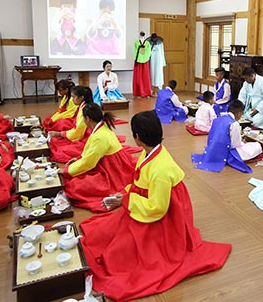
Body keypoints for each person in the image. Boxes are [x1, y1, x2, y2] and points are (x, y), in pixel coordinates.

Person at [79, 110, 231, 301]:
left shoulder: (160, 168)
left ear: (137, 137)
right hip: (149, 200)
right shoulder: (150, 151)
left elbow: (157, 208)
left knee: (119, 256)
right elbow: (142, 184)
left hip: (163, 213)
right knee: (106, 233)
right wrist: (126, 194)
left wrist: (127, 200)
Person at [61, 103, 137, 212]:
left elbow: (88, 163)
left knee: (75, 186)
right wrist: (79, 158)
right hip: (109, 164)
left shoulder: (100, 136)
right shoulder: (102, 127)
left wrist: (66, 171)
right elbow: (89, 153)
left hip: (113, 171)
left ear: (87, 118)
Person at [192, 99, 263, 173]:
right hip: (227, 153)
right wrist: (243, 142)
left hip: (212, 149)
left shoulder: (217, 119)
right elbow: (235, 144)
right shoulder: (234, 124)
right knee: (256, 146)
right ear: (239, 113)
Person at [48, 86, 93, 163]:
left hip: (86, 138)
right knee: (55, 141)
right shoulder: (83, 106)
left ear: (81, 98)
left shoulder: (84, 110)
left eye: (73, 97)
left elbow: (78, 133)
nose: (72, 99)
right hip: (79, 132)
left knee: (60, 150)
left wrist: (60, 134)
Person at [132, 31, 152, 98]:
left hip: (145, 61)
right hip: (138, 61)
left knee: (145, 77)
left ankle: (146, 93)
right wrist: (138, 59)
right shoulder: (136, 43)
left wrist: (145, 58)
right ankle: (138, 93)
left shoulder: (148, 43)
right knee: (138, 78)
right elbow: (134, 52)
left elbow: (149, 52)